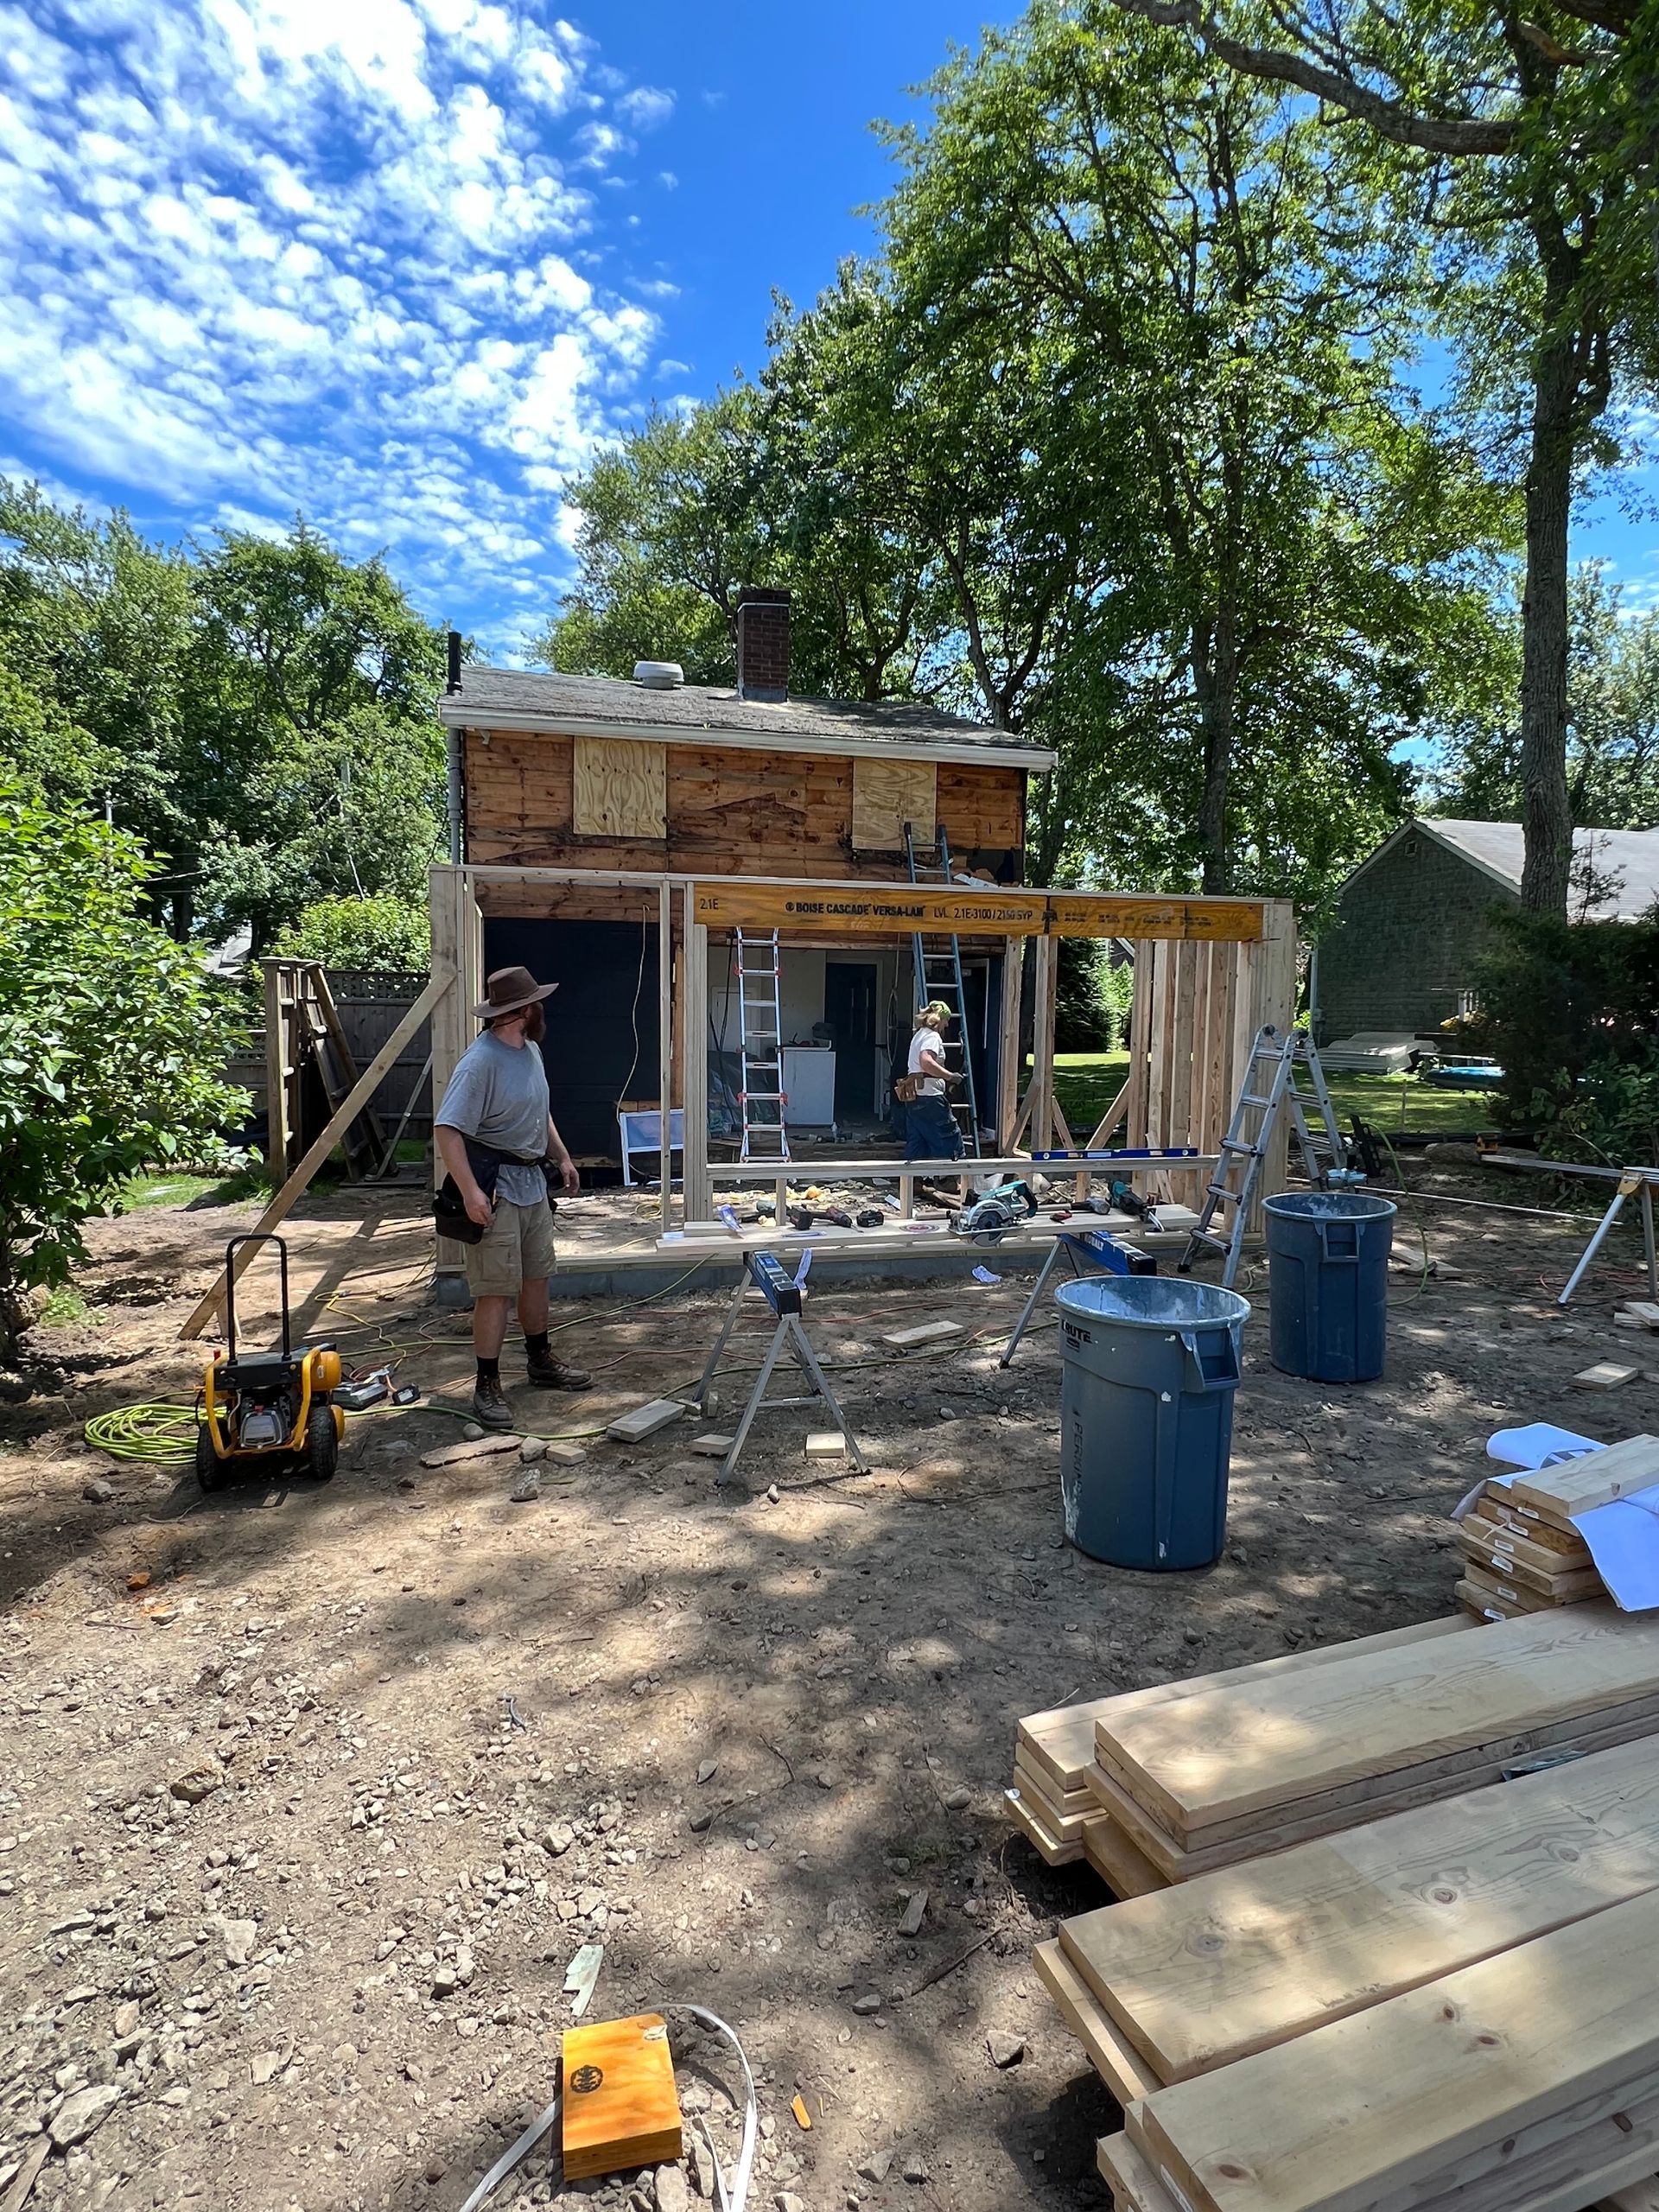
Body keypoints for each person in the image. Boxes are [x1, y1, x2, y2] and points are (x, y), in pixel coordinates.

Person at [435, 963, 589, 1429]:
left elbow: (541, 1114)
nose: (541, 1009)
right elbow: (447, 1129)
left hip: (531, 1185)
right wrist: (471, 1192)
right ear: (523, 1009)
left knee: (537, 1276)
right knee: (496, 1291)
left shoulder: (531, 1052)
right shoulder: (479, 1062)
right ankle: (487, 1384)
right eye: (536, 1002)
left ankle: (540, 1361)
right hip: (495, 1188)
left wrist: (561, 1158)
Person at [904, 997, 965, 1198]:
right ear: (939, 1019)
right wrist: (950, 1077)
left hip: (915, 1095)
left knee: (918, 1139)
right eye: (946, 1020)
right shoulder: (932, 1036)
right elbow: (926, 1061)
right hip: (930, 1096)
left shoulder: (918, 1035)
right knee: (949, 1134)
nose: (947, 1024)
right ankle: (947, 1181)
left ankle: (913, 1183)